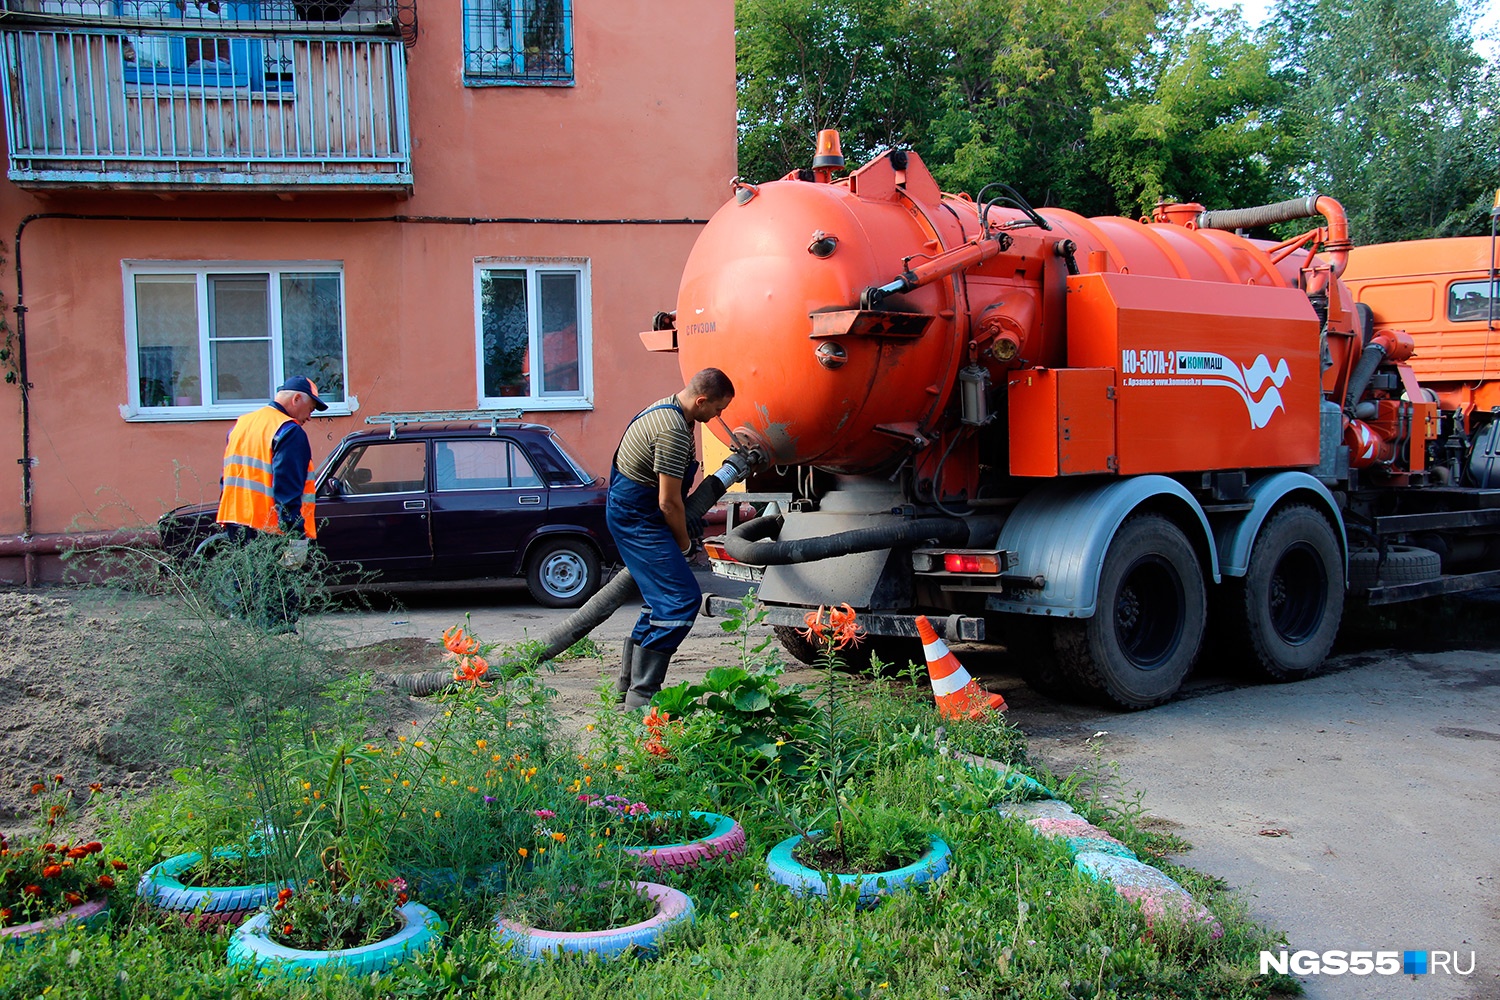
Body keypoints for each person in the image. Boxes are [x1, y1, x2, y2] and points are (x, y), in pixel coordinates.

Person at [608, 368, 735, 708]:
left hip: (634, 511)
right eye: (718, 409)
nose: (718, 416)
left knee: (657, 601)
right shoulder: (673, 431)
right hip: (639, 518)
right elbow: (668, 502)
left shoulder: (665, 409)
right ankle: (642, 699)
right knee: (680, 600)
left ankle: (627, 691)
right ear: (701, 400)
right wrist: (682, 542)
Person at [215, 375, 328, 629]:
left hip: (236, 519)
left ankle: (251, 645)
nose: (308, 417)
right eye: (310, 409)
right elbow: (287, 489)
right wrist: (295, 535)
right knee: (277, 595)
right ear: (296, 399)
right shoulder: (289, 430)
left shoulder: (241, 425)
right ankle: (278, 644)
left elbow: (228, 476)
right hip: (270, 527)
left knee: (247, 590)